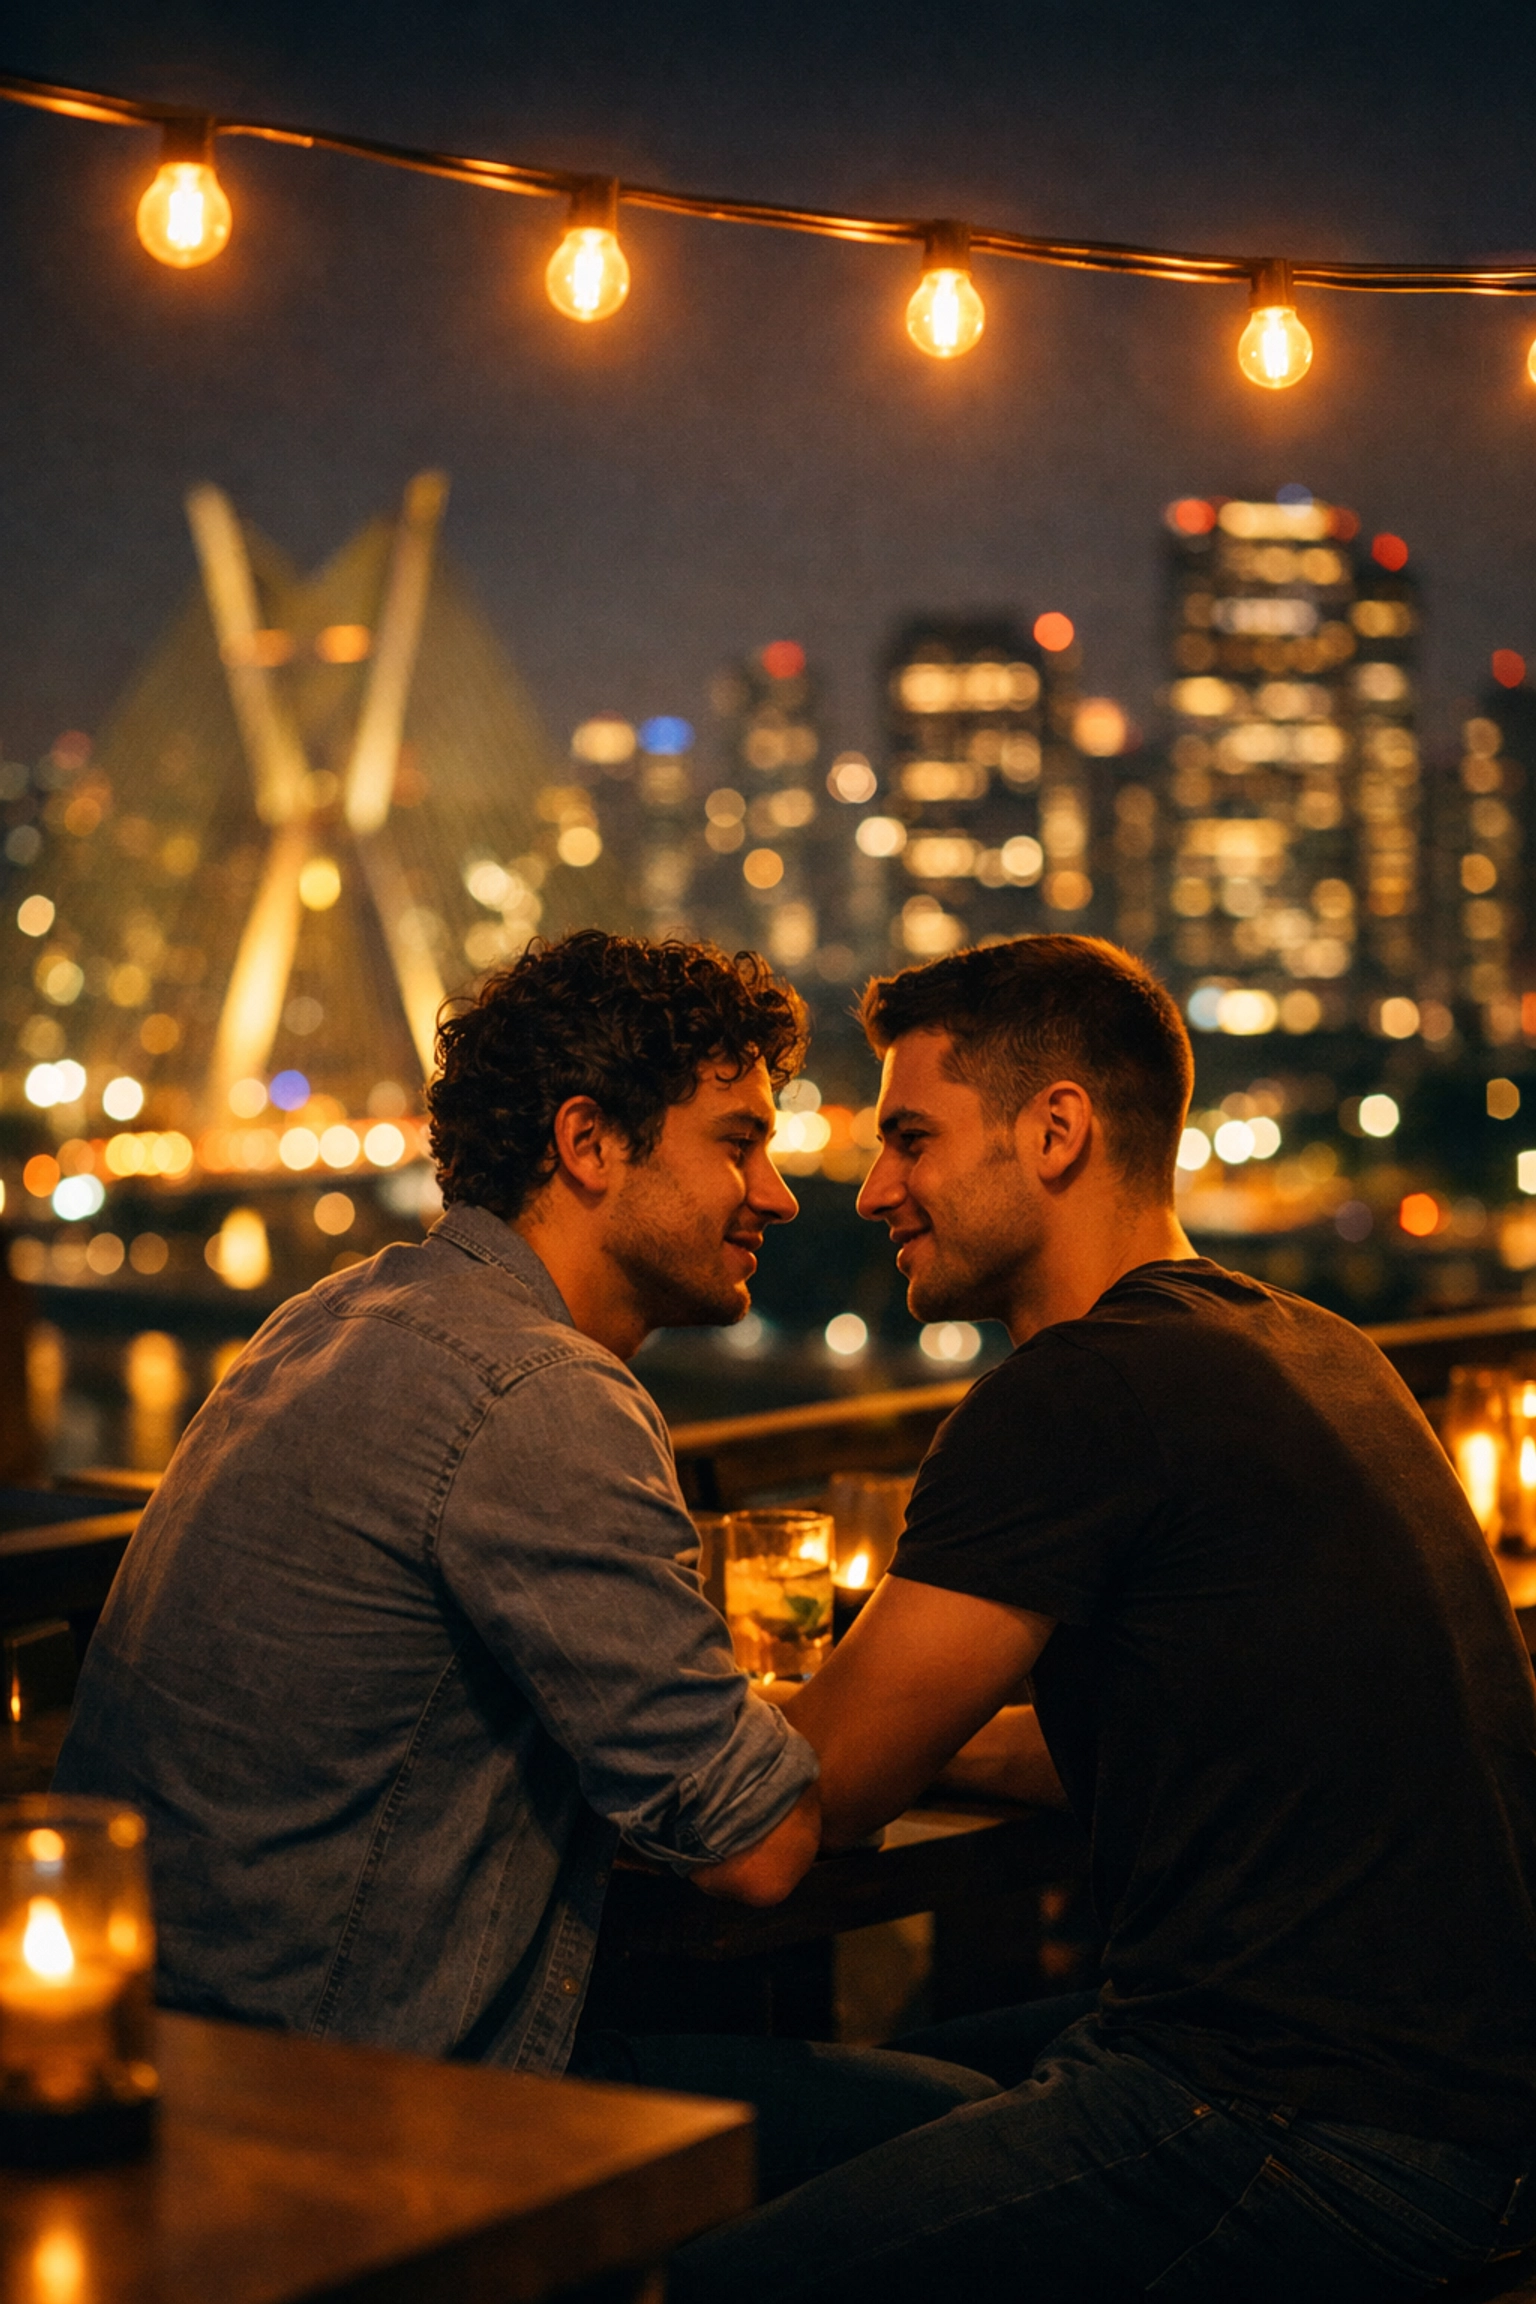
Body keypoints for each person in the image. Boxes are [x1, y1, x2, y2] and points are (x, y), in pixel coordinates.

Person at [674, 933, 1536, 2304]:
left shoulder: (1079, 1391)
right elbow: (1194, 1734)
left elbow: (819, 1792)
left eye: (909, 1137)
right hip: (1470, 2112)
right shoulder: (1313, 1343)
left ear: (1057, 1130)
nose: (875, 1185)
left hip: (1307, 2125)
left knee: (696, 2268)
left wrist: (740, 1717)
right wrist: (936, 1730)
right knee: (776, 2120)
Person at [55, 931, 991, 2182]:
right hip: (363, 2125)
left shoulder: (329, 1316)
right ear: (588, 1143)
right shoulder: (539, 1395)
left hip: (191, 2080)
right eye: (738, 1143)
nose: (777, 1194)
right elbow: (761, 1849)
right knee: (966, 2132)